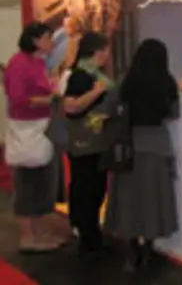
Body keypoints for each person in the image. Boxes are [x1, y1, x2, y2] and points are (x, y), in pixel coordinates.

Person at [104, 39, 180, 271]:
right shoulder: (167, 83)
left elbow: (110, 107)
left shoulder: (128, 81)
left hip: (130, 146)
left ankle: (130, 251)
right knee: (153, 198)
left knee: (129, 198)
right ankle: (148, 247)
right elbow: (174, 113)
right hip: (156, 144)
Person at [3, 22, 65, 253]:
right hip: (27, 130)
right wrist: (50, 100)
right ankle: (28, 236)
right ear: (36, 40)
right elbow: (19, 98)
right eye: (49, 38)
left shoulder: (38, 64)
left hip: (41, 127)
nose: (52, 43)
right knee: (28, 183)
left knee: (41, 182)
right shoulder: (19, 64)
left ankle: (39, 233)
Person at [62, 31, 113, 258]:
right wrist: (97, 91)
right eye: (106, 50)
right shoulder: (81, 76)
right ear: (98, 51)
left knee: (89, 186)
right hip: (86, 141)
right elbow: (71, 107)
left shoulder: (92, 74)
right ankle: (88, 236)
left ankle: (89, 232)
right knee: (88, 187)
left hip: (93, 141)